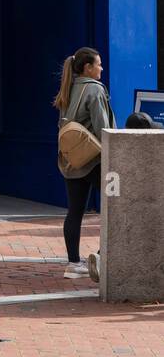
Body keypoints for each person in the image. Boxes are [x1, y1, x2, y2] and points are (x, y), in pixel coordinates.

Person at [53, 47, 113, 281]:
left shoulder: (68, 87)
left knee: (75, 211)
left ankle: (73, 264)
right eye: (98, 64)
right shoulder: (95, 89)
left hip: (71, 159)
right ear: (87, 68)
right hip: (94, 160)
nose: (101, 68)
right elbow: (102, 126)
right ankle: (100, 257)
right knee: (117, 204)